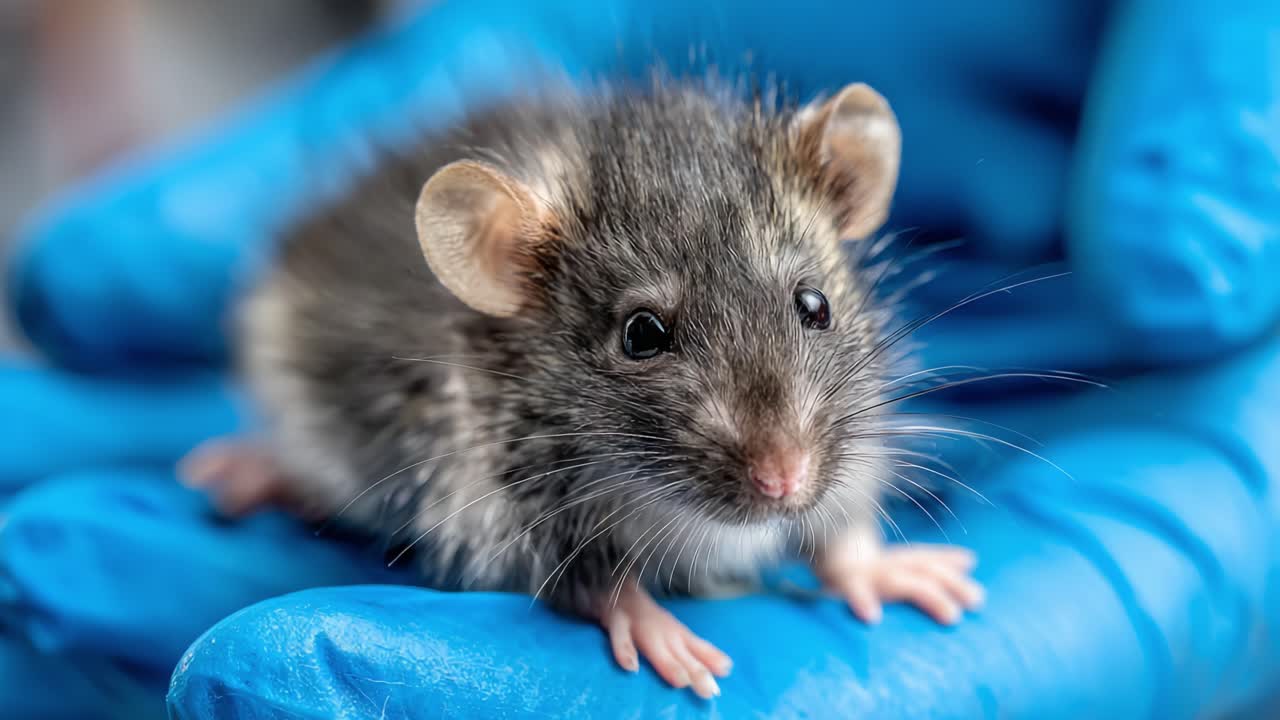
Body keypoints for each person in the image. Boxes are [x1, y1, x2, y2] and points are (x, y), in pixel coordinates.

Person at [5, 1, 1279, 717]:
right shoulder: (513, 353)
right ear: (511, 274)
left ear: (846, 193)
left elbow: (829, 456)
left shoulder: (827, 394)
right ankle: (297, 469)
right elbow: (515, 515)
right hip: (343, 342)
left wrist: (853, 544)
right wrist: (601, 587)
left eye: (808, 309)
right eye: (646, 338)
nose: (780, 462)